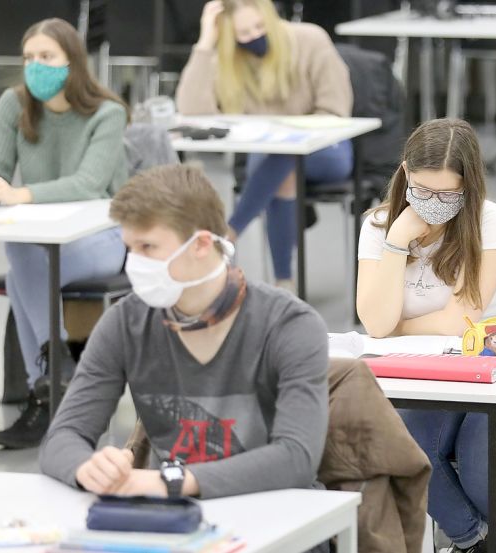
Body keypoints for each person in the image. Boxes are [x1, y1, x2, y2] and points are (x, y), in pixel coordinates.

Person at [40, 164, 329, 500]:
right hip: (174, 515)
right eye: (129, 248)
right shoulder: (124, 323)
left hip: (276, 511)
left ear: (201, 244)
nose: (134, 263)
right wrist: (86, 467)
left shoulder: (290, 324)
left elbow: (297, 458)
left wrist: (174, 481)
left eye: (148, 248)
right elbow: (62, 437)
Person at [357, 118, 496, 553]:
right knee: (398, 442)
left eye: (447, 194)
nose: (433, 203)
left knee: (481, 455)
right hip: (436, 376)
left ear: (468, 186)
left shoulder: (489, 220)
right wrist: (397, 240)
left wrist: (397, 327)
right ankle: (478, 540)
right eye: (422, 190)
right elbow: (375, 325)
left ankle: (478, 539)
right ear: (404, 173)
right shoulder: (379, 227)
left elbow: (459, 323)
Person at [0, 18, 129, 449]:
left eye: (46, 57)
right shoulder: (13, 103)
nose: (35, 66)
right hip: (39, 240)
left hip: (102, 239)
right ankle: (53, 380)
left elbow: (88, 183)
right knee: (21, 250)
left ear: (72, 62)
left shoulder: (107, 112)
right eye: (28, 58)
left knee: (24, 262)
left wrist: (17, 193)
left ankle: (47, 385)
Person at [176, 0, 353, 292]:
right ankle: (284, 283)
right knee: (283, 168)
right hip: (274, 159)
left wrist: (290, 132)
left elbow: (336, 110)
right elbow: (192, 110)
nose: (254, 37)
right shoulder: (227, 59)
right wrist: (206, 42)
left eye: (259, 27)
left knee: (283, 156)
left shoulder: (309, 40)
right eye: (243, 34)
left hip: (327, 151)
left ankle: (229, 232)